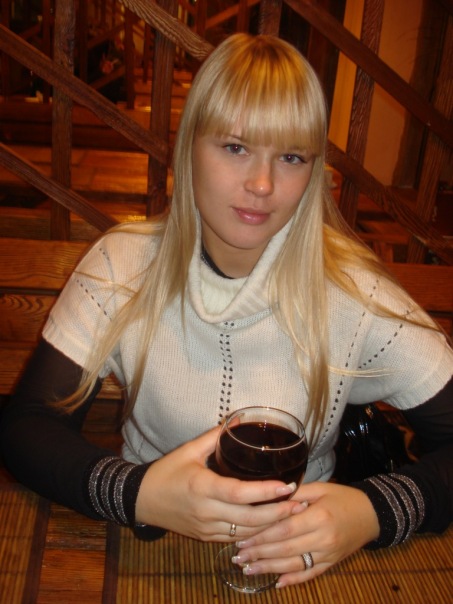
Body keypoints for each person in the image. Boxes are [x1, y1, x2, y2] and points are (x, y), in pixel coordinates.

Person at [1, 33, 452, 589]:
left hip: (300, 564)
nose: (262, 184)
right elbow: (28, 427)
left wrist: (371, 512)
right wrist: (139, 494)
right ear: (190, 146)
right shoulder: (122, 266)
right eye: (235, 147)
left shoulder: (355, 297)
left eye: (291, 157)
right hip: (147, 553)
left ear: (314, 173)